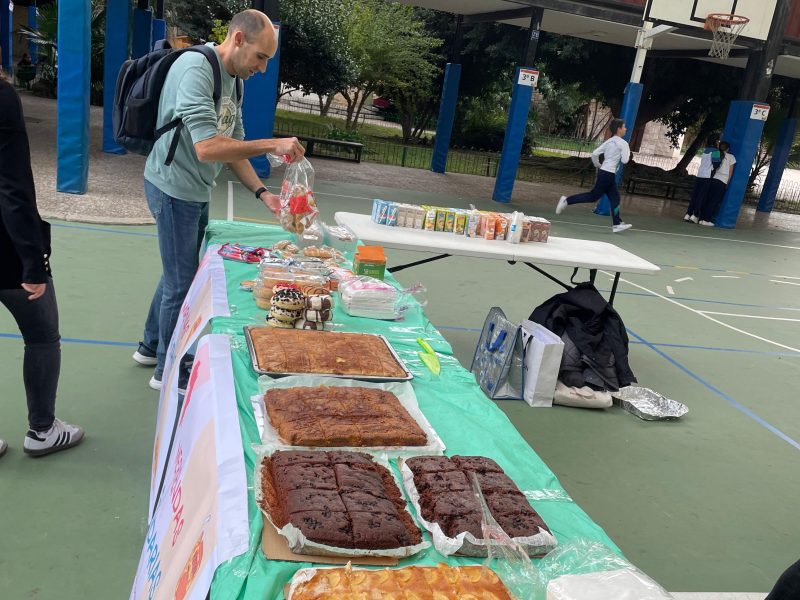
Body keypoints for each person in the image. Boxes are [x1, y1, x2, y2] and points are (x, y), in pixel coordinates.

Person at [133, 9, 305, 391]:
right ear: (238, 39)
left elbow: (234, 148)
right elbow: (208, 148)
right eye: (260, 57)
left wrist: (264, 194)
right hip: (172, 188)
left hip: (195, 189)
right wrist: (272, 144)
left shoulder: (235, 81)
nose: (262, 68)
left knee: (177, 271)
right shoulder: (197, 68)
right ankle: (169, 370)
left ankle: (148, 346)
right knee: (182, 282)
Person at [0, 74, 85, 457]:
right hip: (7, 250)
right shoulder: (2, 98)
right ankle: (42, 430)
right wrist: (33, 262)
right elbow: (12, 185)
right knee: (42, 336)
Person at [555, 118, 633, 233]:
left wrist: (598, 165)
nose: (626, 129)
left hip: (605, 173)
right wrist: (627, 153)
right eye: (624, 127)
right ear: (619, 129)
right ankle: (566, 201)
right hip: (608, 174)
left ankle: (617, 224)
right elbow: (625, 160)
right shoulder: (624, 144)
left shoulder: (609, 141)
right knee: (593, 196)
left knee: (615, 198)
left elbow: (595, 153)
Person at [684, 133, 720, 223]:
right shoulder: (716, 151)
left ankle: (688, 214)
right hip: (707, 176)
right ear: (716, 141)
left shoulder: (705, 150)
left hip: (700, 174)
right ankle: (695, 215)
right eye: (718, 140)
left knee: (695, 195)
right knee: (701, 196)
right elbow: (716, 164)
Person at [698, 140, 735, 226]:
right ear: (728, 149)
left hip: (713, 178)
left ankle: (701, 218)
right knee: (714, 201)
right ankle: (706, 220)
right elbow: (730, 171)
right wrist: (727, 183)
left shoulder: (716, 154)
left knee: (707, 199)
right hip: (722, 181)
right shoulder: (731, 157)